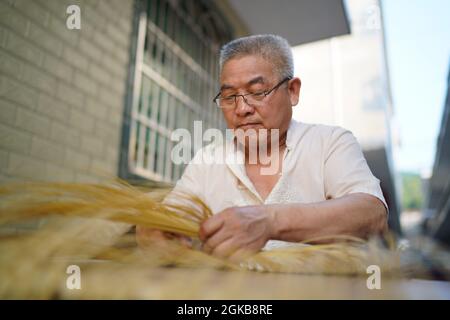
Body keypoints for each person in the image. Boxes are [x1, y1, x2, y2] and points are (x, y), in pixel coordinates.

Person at [137, 34, 388, 261]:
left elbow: (372, 214)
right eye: (229, 96)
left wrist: (270, 221)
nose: (242, 109)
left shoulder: (330, 142)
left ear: (292, 91)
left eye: (257, 92)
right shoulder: (207, 160)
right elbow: (172, 218)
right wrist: (154, 232)